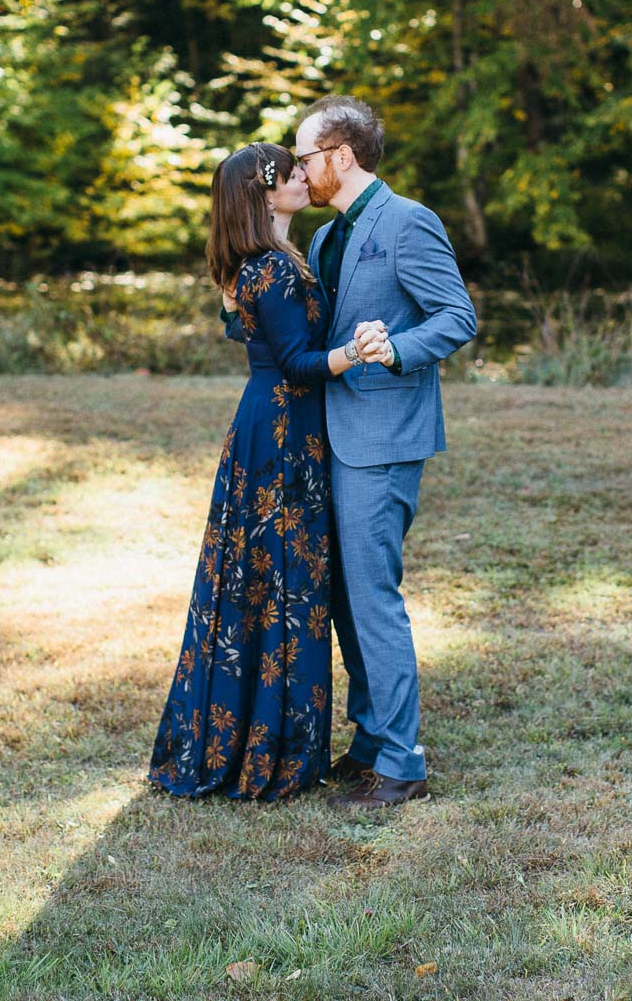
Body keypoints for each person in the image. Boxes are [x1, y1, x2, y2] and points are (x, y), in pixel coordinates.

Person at [231, 95, 477, 809]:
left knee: (372, 599)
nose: (298, 169)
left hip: (382, 440)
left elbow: (456, 317)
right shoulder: (326, 239)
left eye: (305, 155)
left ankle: (402, 763)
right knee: (342, 599)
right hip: (326, 440)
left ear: (341, 155)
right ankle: (369, 741)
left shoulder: (407, 222)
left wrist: (398, 349)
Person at [146, 143, 385, 800]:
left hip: (273, 427)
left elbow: (249, 334)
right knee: (280, 582)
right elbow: (296, 364)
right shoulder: (273, 270)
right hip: (281, 432)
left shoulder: (272, 262)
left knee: (264, 581)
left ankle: (254, 734)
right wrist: (356, 354)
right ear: (263, 193)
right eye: (289, 173)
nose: (302, 177)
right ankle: (266, 748)